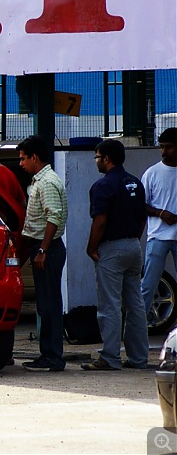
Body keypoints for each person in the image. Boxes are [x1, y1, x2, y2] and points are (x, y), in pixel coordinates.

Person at [82, 140, 149, 371]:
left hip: (111, 248)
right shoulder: (135, 183)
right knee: (136, 305)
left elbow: (99, 221)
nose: (97, 161)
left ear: (107, 159)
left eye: (98, 157)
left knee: (110, 304)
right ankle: (139, 358)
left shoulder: (103, 186)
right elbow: (142, 218)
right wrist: (132, 239)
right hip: (133, 246)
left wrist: (91, 248)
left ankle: (110, 357)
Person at [17, 135, 68, 372]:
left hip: (47, 248)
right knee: (45, 304)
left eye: (23, 158)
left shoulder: (46, 182)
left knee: (49, 305)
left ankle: (53, 356)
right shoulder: (41, 180)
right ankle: (49, 354)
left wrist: (42, 250)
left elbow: (53, 217)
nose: (21, 163)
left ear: (34, 157)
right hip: (42, 246)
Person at [141, 127, 177, 326]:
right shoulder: (152, 173)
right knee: (148, 284)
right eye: (162, 147)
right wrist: (161, 213)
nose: (164, 152)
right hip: (158, 236)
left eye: (169, 147)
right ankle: (138, 327)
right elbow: (141, 204)